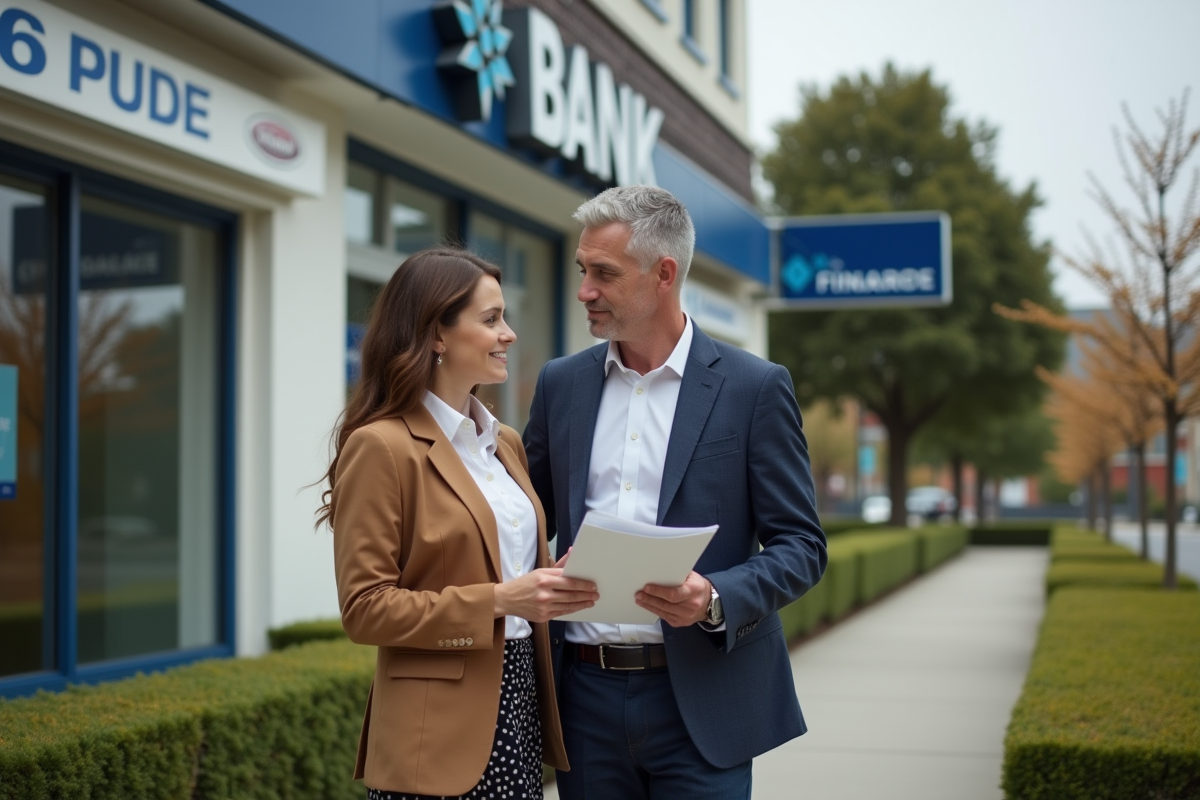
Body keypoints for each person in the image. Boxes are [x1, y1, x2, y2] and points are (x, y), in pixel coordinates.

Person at [523, 186, 827, 799]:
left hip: (706, 703)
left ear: (664, 274)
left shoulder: (754, 388)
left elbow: (802, 546)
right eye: (583, 270)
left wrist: (713, 597)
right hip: (583, 700)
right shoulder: (561, 384)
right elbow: (524, 521)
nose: (585, 291)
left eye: (604, 273)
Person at [320, 248, 599, 800]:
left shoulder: (504, 442)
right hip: (435, 735)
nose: (509, 334)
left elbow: (506, 568)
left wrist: (552, 579)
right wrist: (500, 599)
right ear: (436, 335)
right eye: (491, 319)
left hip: (519, 702)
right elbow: (365, 609)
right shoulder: (381, 446)